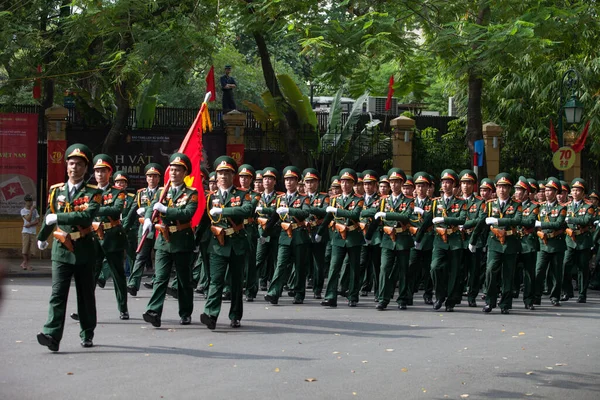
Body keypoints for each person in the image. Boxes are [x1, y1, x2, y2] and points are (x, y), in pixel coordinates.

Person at [36, 144, 102, 351]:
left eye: (79, 164)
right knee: (57, 294)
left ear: (85, 168)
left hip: (83, 250)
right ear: (67, 166)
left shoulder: (94, 193)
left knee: (85, 296)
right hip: (61, 250)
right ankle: (52, 335)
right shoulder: (56, 190)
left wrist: (59, 217)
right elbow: (49, 216)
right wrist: (42, 237)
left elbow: (86, 216)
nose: (74, 168)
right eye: (71, 163)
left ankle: (87, 332)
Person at [141, 153, 199, 327]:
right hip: (163, 240)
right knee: (160, 278)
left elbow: (188, 213)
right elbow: (151, 206)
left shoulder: (191, 193)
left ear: (185, 172)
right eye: (172, 169)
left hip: (182, 240)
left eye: (178, 170)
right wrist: (148, 219)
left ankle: (185, 312)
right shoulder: (161, 191)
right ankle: (154, 311)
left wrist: (166, 209)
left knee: (184, 280)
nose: (174, 173)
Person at [199, 156, 252, 329]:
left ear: (233, 175)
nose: (223, 176)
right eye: (220, 173)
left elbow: (247, 210)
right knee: (216, 280)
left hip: (236, 243)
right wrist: (195, 240)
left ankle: (235, 315)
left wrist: (223, 210)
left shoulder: (243, 194)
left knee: (236, 282)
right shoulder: (210, 197)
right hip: (217, 244)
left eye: (227, 173)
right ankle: (211, 314)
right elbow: (205, 222)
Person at [416, 169, 466, 312]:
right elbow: (426, 222)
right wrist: (418, 239)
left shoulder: (460, 202)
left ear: (454, 185)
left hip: (455, 239)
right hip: (439, 239)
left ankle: (450, 300)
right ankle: (439, 296)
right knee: (435, 267)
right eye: (443, 182)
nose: (445, 185)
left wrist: (445, 219)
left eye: (448, 182)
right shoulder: (435, 202)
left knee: (454, 272)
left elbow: (462, 219)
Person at [473, 173, 522, 314]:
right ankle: (490, 301)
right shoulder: (489, 205)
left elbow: (516, 220)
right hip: (494, 242)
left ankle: (505, 303)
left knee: (508, 274)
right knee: (490, 271)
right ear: (496, 188)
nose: (502, 190)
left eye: (505, 187)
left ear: (510, 189)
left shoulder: (516, 205)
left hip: (510, 242)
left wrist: (498, 221)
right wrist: (473, 240)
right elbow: (481, 223)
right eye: (500, 186)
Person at [89, 154, 129, 320]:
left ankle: (123, 307)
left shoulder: (117, 192)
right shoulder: (89, 191)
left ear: (109, 173)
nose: (100, 174)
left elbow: (116, 210)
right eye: (97, 171)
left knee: (118, 274)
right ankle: (85, 308)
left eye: (103, 171)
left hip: (112, 236)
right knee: (90, 275)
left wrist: (92, 210)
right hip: (92, 237)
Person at [263, 166, 311, 305]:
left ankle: (299, 293)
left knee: (299, 267)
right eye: (287, 180)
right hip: (284, 236)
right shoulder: (280, 198)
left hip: (299, 235)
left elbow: (305, 213)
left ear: (297, 182)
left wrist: (290, 210)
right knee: (281, 265)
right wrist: (266, 233)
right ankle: (274, 293)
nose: (289, 182)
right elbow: (274, 217)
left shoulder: (303, 199)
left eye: (292, 180)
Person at [319, 168, 365, 307]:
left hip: (353, 237)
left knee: (353, 268)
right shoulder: (334, 199)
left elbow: (355, 215)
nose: (345, 185)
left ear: (353, 184)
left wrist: (337, 211)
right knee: (334, 267)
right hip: (338, 237)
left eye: (348, 182)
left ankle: (353, 296)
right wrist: (319, 232)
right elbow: (328, 217)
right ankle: (330, 296)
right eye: (343, 182)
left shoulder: (358, 199)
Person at [371, 168, 415, 310]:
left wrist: (386, 215)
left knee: (403, 270)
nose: (394, 185)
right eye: (392, 182)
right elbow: (373, 214)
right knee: (384, 268)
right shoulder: (383, 200)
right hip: (387, 239)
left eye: (397, 182)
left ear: (402, 183)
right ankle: (383, 298)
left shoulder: (409, 200)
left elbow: (406, 216)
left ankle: (402, 298)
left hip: (402, 238)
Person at [126, 163, 163, 296]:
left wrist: (146, 210)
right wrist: (125, 226)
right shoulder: (140, 193)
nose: (152, 179)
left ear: (159, 178)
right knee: (140, 257)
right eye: (149, 176)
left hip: (159, 228)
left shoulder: (163, 192)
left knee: (159, 257)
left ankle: (156, 281)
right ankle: (133, 284)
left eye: (155, 176)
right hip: (145, 229)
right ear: (146, 178)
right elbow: (132, 210)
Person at [533, 177, 566, 307]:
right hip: (543, 243)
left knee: (556, 273)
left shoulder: (561, 208)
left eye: (550, 190)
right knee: (539, 271)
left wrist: (541, 223)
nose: (547, 193)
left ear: (556, 192)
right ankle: (537, 296)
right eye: (545, 190)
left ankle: (555, 297)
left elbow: (558, 224)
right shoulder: (539, 207)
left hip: (556, 244)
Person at [561, 178, 595, 303]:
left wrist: (571, 220)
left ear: (583, 192)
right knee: (565, 265)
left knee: (583, 268)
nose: (575, 192)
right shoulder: (567, 206)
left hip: (583, 240)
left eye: (578, 190)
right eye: (573, 190)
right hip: (569, 240)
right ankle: (567, 291)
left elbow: (586, 220)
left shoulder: (588, 206)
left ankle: (582, 294)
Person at [459, 169, 486, 308]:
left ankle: (472, 295)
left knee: (474, 269)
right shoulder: (455, 200)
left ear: (473, 185)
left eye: (469, 183)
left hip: (474, 238)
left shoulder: (480, 202)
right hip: (458, 239)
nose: (465, 186)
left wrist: (463, 224)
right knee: (458, 268)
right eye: (463, 183)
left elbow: (481, 219)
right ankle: (456, 294)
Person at [302, 168, 330, 299]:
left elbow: (325, 212)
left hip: (317, 232)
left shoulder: (324, 197)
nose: (309, 184)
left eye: (312, 181)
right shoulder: (300, 197)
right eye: (307, 182)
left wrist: (308, 209)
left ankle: (317, 288)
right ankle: (300, 287)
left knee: (318, 263)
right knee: (302, 261)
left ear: (317, 183)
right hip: (303, 232)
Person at [514, 177, 540, 310]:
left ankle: (528, 299)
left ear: (526, 193)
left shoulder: (534, 206)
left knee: (529, 274)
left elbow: (530, 222)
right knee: (510, 271)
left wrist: (514, 221)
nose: (517, 192)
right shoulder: (512, 204)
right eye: (516, 189)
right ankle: (510, 294)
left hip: (528, 242)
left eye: (520, 190)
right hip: (513, 242)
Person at [21, 194, 39, 270]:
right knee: (25, 250)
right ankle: (25, 263)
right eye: (28, 201)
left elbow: (37, 221)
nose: (30, 203)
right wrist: (31, 210)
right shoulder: (23, 210)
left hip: (33, 232)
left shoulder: (35, 210)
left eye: (31, 201)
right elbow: (28, 219)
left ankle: (25, 263)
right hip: (25, 232)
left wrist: (31, 224)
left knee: (32, 250)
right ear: (25, 202)